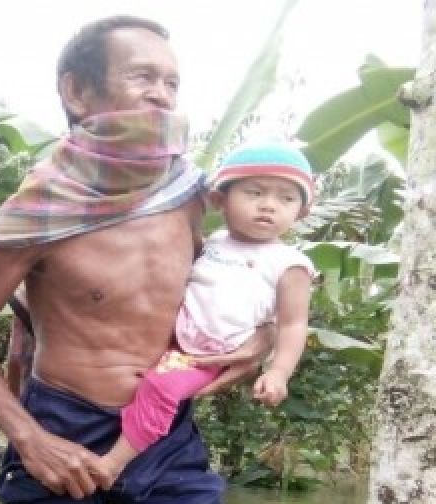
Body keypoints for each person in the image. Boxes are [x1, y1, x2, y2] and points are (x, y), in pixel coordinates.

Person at [0, 16, 269, 504]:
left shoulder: (191, 193)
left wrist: (261, 343)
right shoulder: (43, 200)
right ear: (77, 92)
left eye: (172, 81)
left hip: (161, 428)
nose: (161, 93)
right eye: (141, 76)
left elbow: (246, 282)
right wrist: (31, 440)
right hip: (63, 423)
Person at [100, 141, 317, 479]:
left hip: (212, 352)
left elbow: (293, 324)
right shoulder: (211, 242)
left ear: (300, 211)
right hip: (173, 337)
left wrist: (278, 372)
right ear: (219, 200)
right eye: (254, 193)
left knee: (162, 389)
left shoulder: (290, 265)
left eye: (286, 199)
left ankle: (113, 464)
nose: (268, 206)